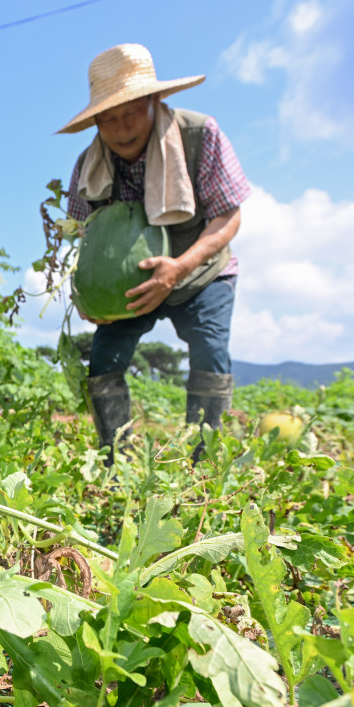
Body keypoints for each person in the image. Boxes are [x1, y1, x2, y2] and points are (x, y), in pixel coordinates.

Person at [57, 43, 251, 462]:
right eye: (107, 119)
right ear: (94, 122)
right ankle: (118, 460)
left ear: (154, 101)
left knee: (210, 350)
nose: (122, 128)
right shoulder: (88, 167)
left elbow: (228, 217)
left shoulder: (200, 135)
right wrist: (86, 295)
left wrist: (179, 268)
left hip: (201, 271)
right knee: (105, 356)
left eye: (131, 112)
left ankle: (204, 464)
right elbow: (83, 237)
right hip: (131, 287)